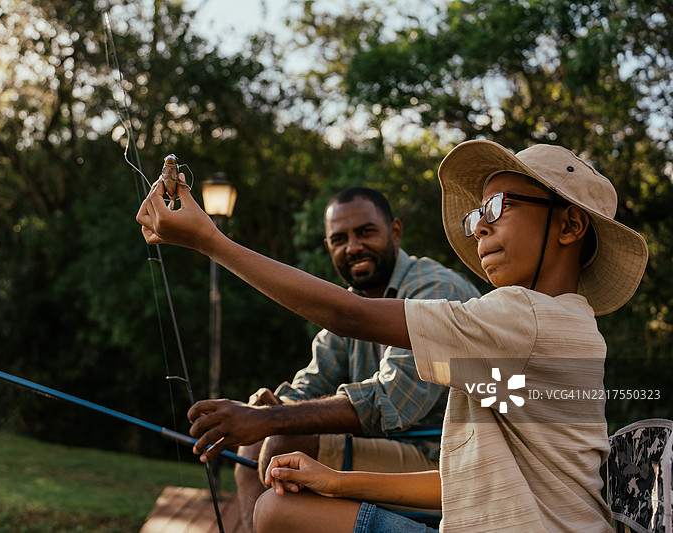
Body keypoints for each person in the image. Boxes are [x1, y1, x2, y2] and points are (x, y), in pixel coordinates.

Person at [136, 140, 648, 532]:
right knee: (280, 504)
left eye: (498, 208)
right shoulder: (563, 326)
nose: (479, 229)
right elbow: (466, 483)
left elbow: (350, 315)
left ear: (569, 225)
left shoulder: (522, 318)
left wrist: (210, 240)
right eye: (476, 216)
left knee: (277, 512)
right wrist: (335, 481)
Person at [205, 187, 480, 531]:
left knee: (283, 442)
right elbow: (313, 381)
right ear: (328, 247)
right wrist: (268, 410)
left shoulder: (435, 289)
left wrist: (276, 419)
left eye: (365, 232)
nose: (352, 247)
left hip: (443, 458)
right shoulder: (351, 305)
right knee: (256, 444)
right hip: (391, 449)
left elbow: (390, 401)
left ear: (395, 232)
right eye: (339, 239)